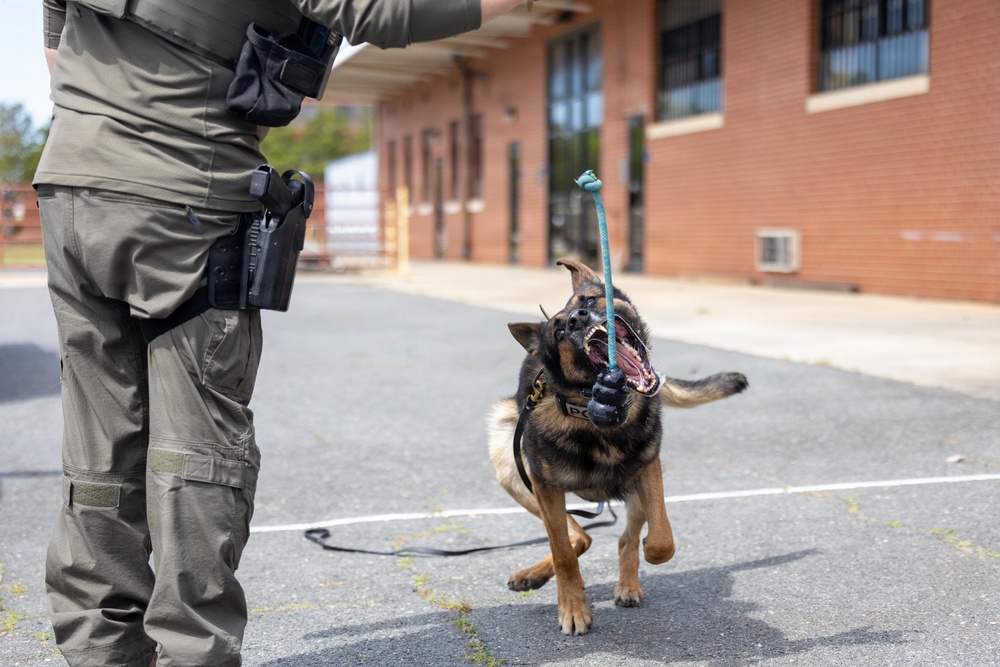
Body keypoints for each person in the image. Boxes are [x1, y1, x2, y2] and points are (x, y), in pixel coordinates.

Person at [35, 1, 524, 665]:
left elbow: (55, 20)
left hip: (72, 187)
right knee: (197, 456)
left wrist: (95, 119)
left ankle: (100, 654)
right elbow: (382, 11)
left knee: (98, 454)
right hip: (185, 195)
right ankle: (192, 653)